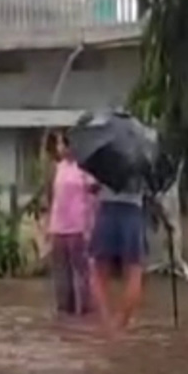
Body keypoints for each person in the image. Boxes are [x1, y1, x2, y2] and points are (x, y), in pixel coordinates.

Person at [44, 131, 96, 317]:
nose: (60, 148)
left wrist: (90, 227)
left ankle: (86, 311)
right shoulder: (57, 169)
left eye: (63, 144)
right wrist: (47, 228)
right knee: (61, 274)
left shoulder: (85, 170)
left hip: (78, 228)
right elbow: (52, 200)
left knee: (81, 273)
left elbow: (93, 199)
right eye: (58, 144)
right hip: (58, 228)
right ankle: (65, 311)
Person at [89, 171, 147, 333]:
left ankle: (106, 323)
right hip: (133, 211)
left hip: (107, 210)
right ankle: (122, 324)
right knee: (134, 272)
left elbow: (92, 184)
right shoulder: (144, 152)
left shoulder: (104, 152)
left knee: (98, 273)